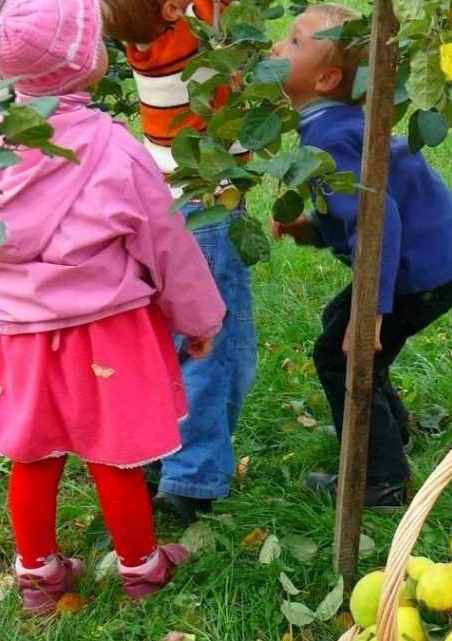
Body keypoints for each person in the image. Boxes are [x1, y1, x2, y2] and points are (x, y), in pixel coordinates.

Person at [0, 0, 226, 613]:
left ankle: (39, 577)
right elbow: (166, 243)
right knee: (114, 454)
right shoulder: (111, 145)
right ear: (81, 63)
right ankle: (141, 568)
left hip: (22, 336)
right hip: (110, 332)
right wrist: (199, 320)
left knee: (33, 454)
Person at [270, 4, 452, 510]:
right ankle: (392, 432)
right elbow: (359, 204)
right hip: (438, 256)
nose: (277, 47)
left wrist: (371, 315)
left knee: (342, 354)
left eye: (293, 43)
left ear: (325, 78)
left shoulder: (326, 135)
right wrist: (312, 228)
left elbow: (375, 218)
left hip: (421, 270)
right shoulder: (334, 123)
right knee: (337, 328)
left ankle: (381, 481)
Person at [100, 0, 258, 523]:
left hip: (162, 199)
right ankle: (192, 475)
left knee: (169, 339)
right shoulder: (194, 26)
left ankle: (155, 449)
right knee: (214, 342)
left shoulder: (141, 36)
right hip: (206, 202)